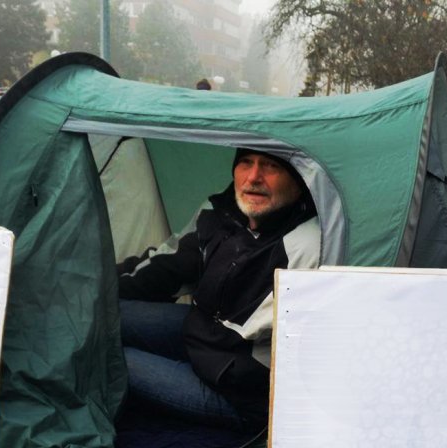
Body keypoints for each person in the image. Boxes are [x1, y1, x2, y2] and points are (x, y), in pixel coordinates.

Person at [117, 149, 321, 432]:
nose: (253, 177)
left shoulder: (307, 247)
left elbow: (256, 343)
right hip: (204, 339)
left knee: (111, 358)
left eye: (271, 166)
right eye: (246, 163)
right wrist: (91, 283)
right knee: (103, 314)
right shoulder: (224, 213)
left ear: (299, 181)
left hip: (237, 393)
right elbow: (166, 269)